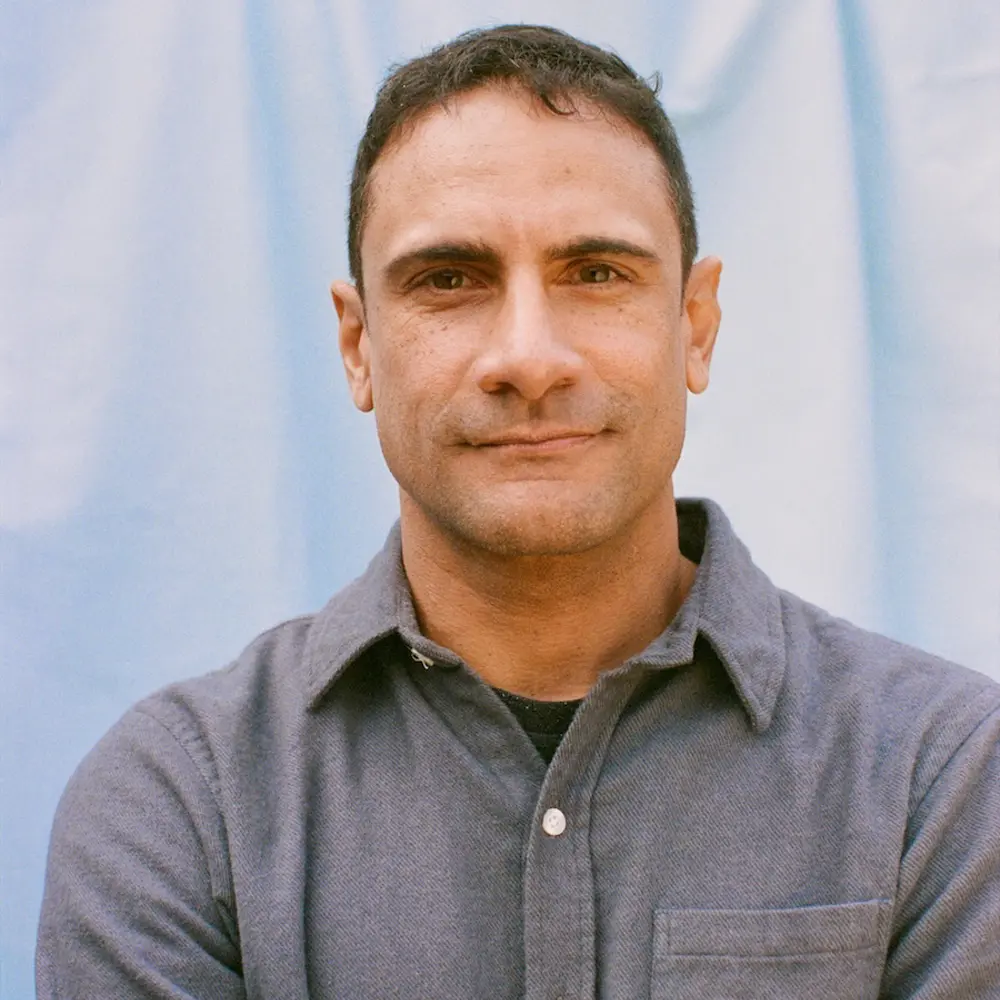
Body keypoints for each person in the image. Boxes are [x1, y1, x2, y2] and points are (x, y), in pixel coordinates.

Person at [37, 24, 999, 1000]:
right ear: (358, 344)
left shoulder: (943, 778)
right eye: (448, 280)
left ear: (694, 326)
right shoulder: (184, 804)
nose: (529, 357)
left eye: (597, 273)